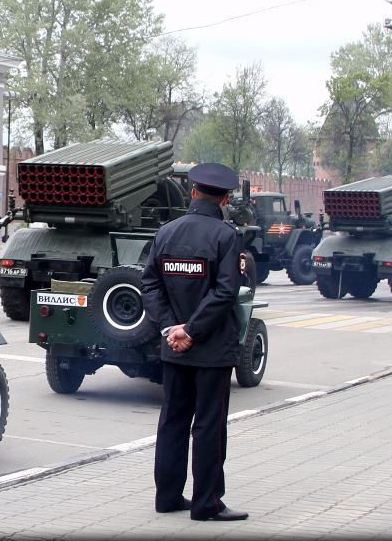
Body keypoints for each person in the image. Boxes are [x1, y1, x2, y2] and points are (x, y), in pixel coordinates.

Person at [139, 161, 249, 522]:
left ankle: (167, 497)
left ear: (193, 192)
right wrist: (192, 330)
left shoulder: (166, 233)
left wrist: (172, 328)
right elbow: (226, 292)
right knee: (208, 425)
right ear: (226, 199)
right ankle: (206, 504)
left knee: (172, 420)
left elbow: (150, 283)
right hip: (212, 349)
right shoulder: (226, 236)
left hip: (174, 347)